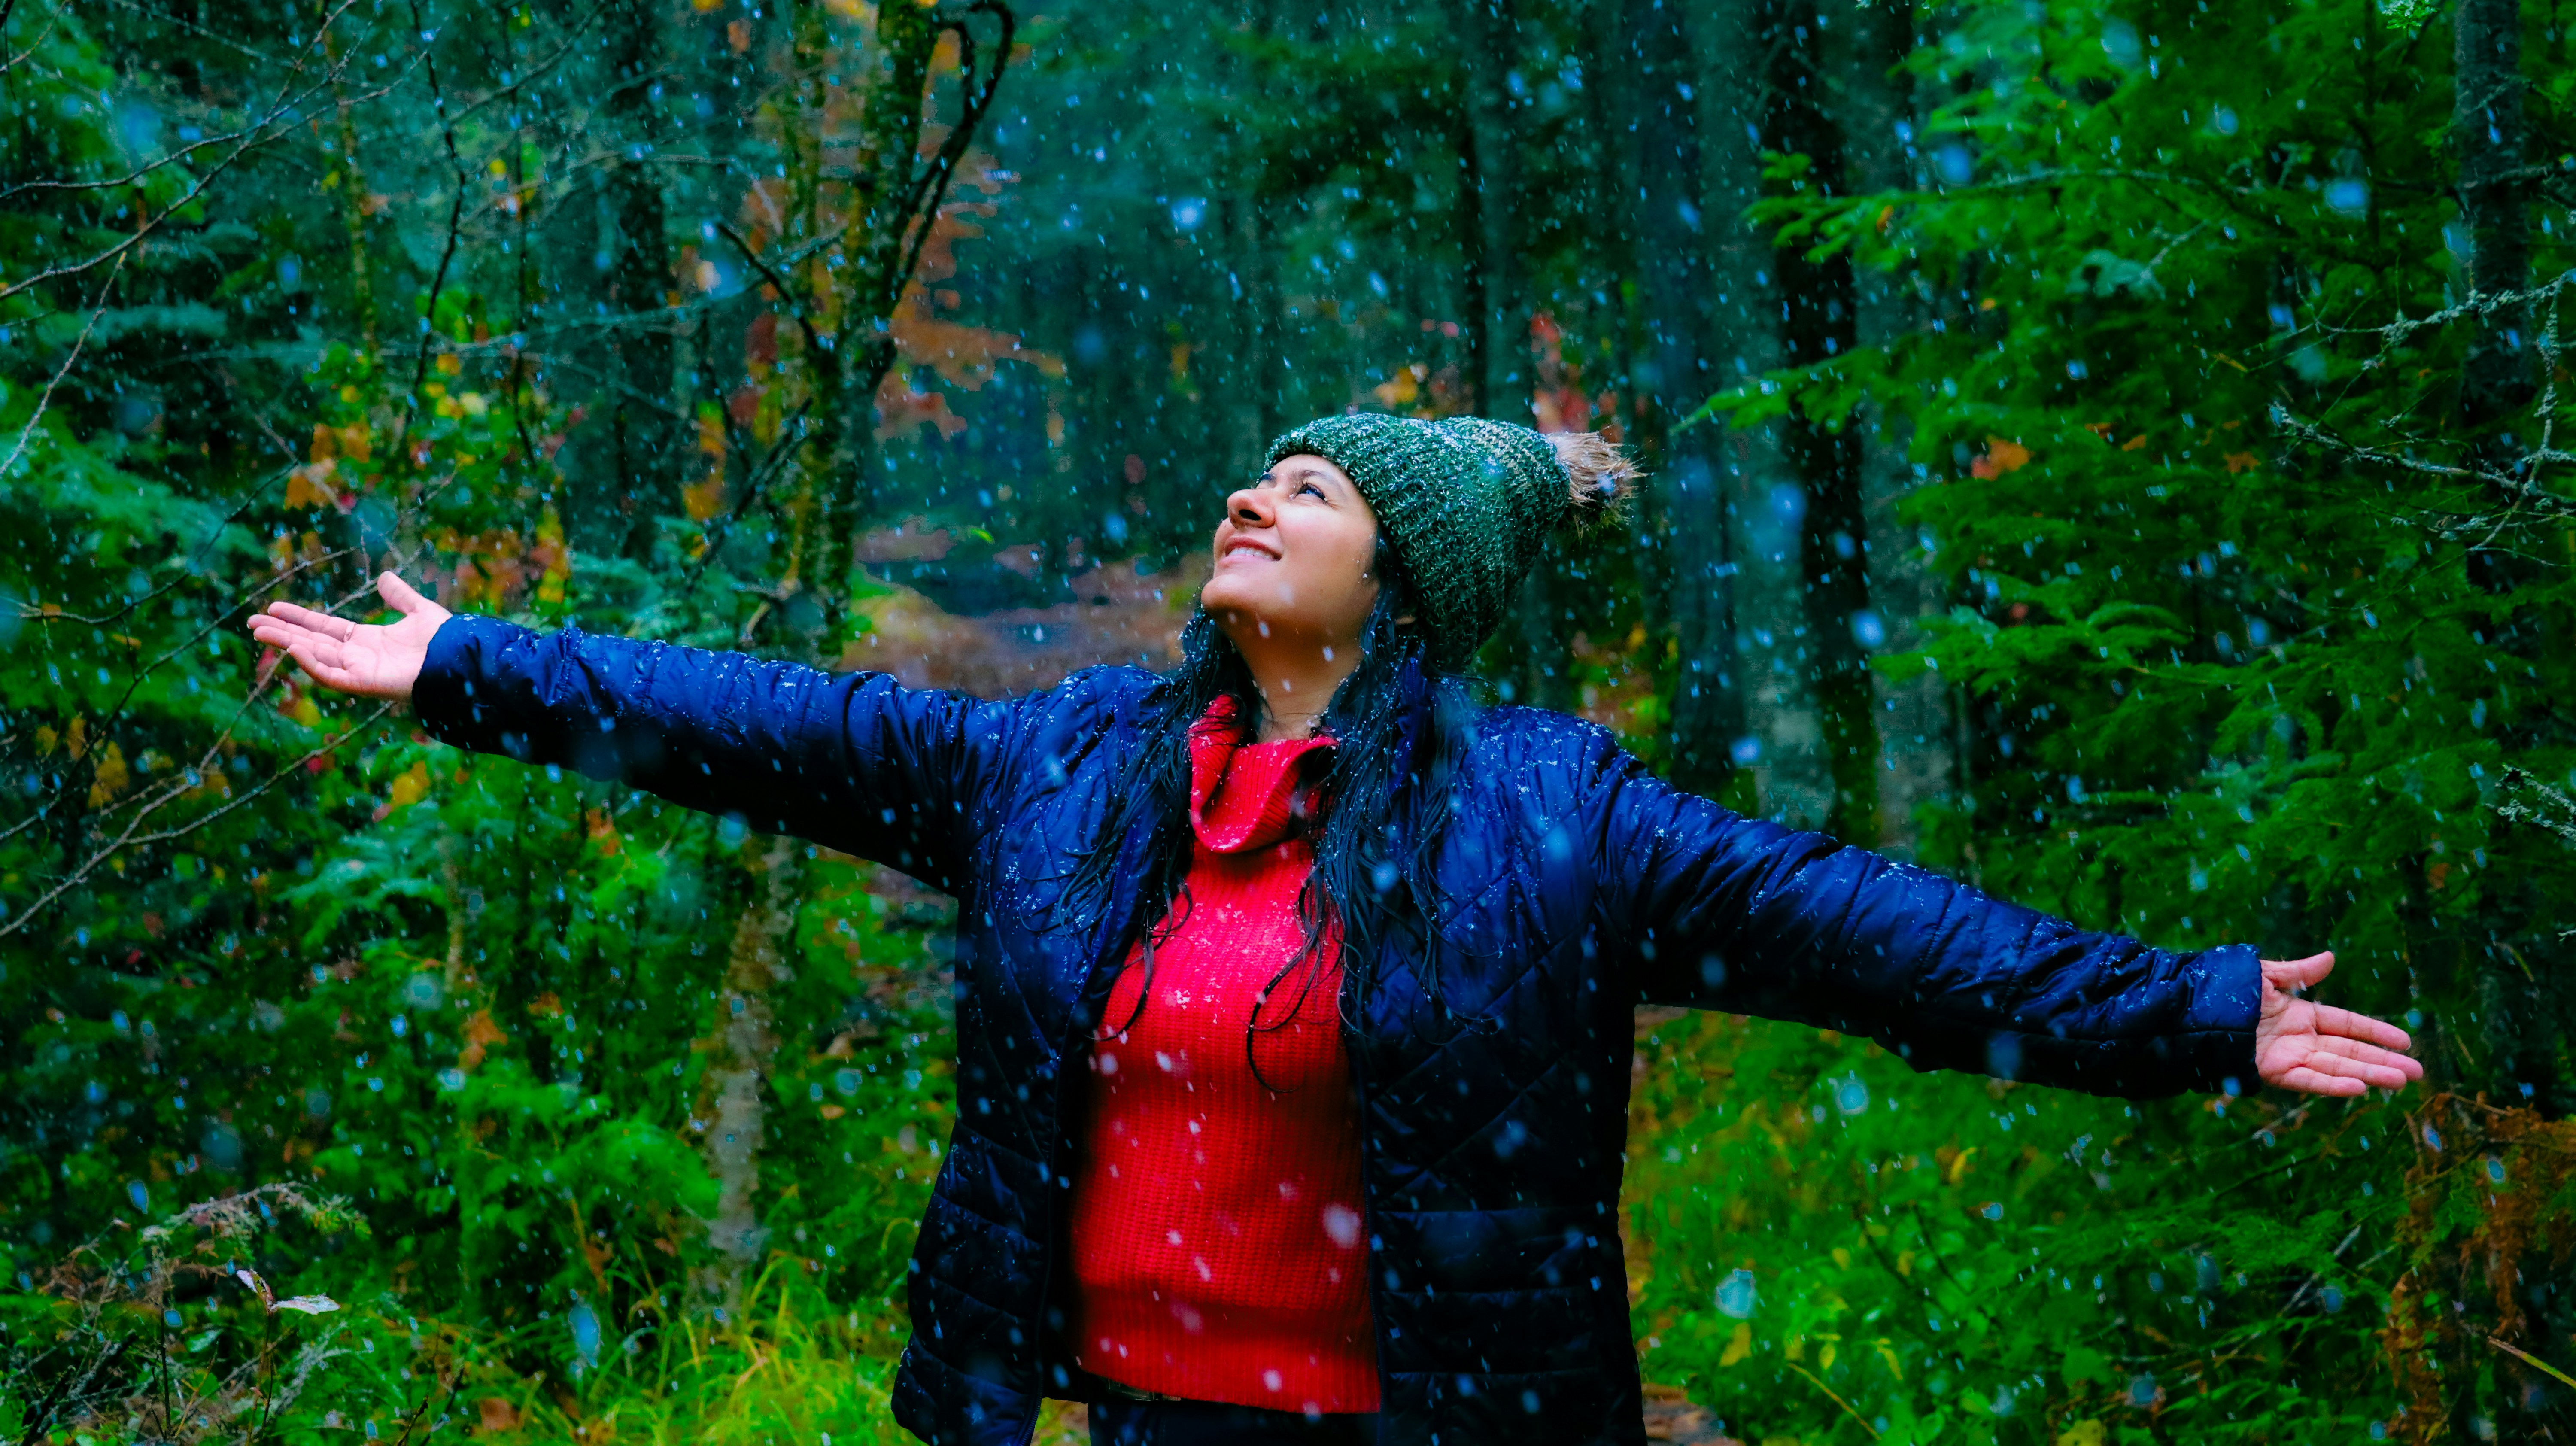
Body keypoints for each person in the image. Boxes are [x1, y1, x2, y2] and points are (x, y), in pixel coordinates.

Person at [250, 413, 2421, 1446]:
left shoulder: (1554, 818)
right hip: (1126, 1424)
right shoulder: (1078, 768)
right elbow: (784, 731)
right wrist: (470, 667)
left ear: (1406, 583)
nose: (1256, 495)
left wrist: (2194, 1012)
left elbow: (1869, 931)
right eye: (1255, 469)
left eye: (1319, 488)